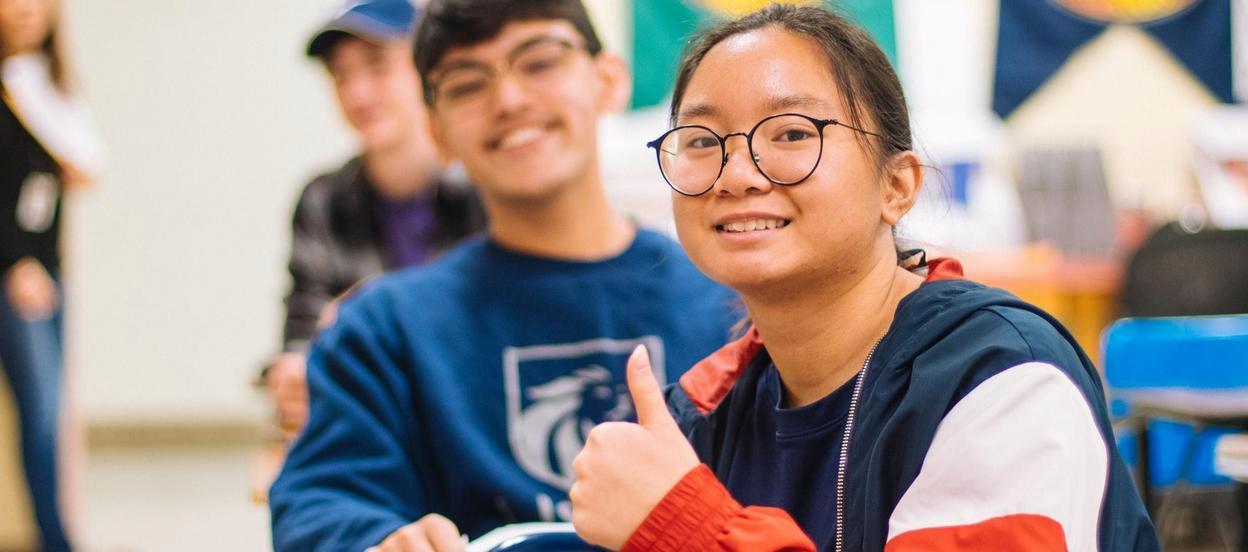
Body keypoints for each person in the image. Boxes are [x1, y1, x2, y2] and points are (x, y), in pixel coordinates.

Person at [569, 5, 1159, 551]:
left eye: (792, 133)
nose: (737, 174)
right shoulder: (701, 414)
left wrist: (684, 525)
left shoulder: (999, 376)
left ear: (897, 186)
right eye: (702, 141)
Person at [267, 1, 739, 550]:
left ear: (608, 81)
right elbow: (322, 505)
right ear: (435, 128)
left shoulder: (732, 301)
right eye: (467, 85)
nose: (509, 100)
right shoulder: (382, 332)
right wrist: (383, 541)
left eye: (539, 62)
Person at [264, 0, 486, 432]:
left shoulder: (485, 191)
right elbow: (303, 332)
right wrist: (293, 374)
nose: (357, 94)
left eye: (378, 66)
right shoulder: (321, 199)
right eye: (340, 75)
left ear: (427, 70)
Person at [0, 0, 103, 550]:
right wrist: (16, 261)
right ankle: (55, 540)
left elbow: (83, 169)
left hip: (48, 271)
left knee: (53, 414)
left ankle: (57, 534)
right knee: (40, 411)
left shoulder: (47, 86)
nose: (27, 8)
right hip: (16, 275)